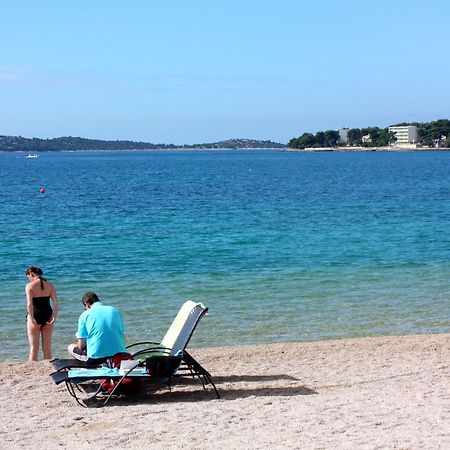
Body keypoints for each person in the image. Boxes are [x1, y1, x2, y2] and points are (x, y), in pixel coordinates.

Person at [68, 291, 126, 364]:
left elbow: (81, 346)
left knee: (70, 347)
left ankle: (84, 368)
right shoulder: (115, 311)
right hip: (120, 355)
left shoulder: (85, 315)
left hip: (96, 359)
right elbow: (122, 335)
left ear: (87, 304)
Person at [25, 265, 59, 361]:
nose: (29, 280)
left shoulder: (29, 286)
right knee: (47, 349)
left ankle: (32, 369)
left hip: (35, 315)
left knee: (34, 348)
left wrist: (32, 320)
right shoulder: (50, 285)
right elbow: (56, 304)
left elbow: (29, 305)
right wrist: (53, 318)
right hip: (48, 315)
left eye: (29, 277)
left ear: (31, 274)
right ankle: (49, 369)